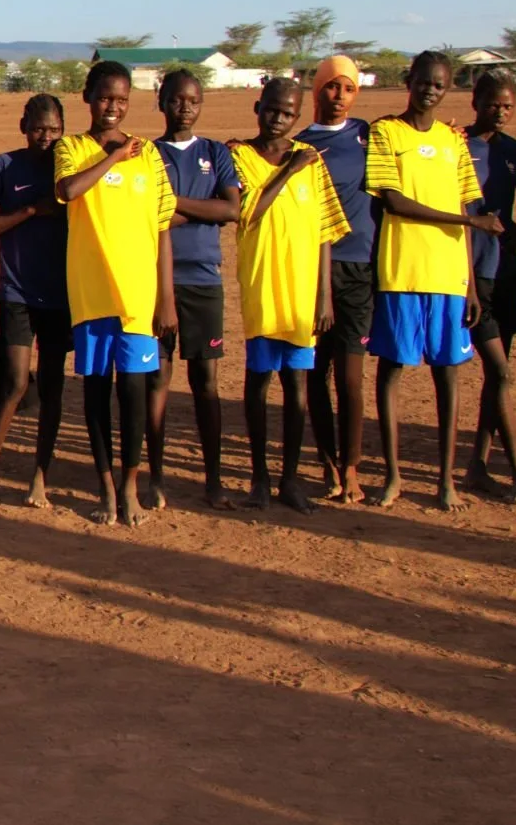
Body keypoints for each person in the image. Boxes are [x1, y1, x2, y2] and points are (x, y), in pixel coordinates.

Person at [364, 50, 495, 511]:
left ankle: (445, 481)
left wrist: (471, 287)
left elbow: (464, 210)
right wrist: (471, 226)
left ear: (447, 87)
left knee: (449, 377)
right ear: (409, 80)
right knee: (391, 372)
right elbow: (394, 202)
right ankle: (394, 476)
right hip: (401, 272)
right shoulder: (385, 132)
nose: (430, 90)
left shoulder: (454, 142)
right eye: (423, 81)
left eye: (439, 84)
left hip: (448, 276)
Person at [53, 60, 176, 528]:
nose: (113, 107)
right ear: (88, 97)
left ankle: (130, 488)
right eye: (105, 97)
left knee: (134, 396)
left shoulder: (150, 155)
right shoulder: (72, 148)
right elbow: (68, 189)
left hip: (139, 299)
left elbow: (163, 228)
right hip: (91, 295)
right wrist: (113, 158)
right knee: (96, 396)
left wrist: (166, 297)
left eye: (122, 100)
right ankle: (105, 488)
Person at [233, 77, 348, 513]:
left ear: (298, 116)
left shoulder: (311, 161)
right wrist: (287, 170)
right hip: (263, 284)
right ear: (258, 107)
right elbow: (250, 212)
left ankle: (290, 480)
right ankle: (259, 478)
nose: (278, 119)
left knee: (297, 386)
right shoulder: (240, 156)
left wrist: (324, 297)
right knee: (259, 384)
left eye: (288, 113)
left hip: (303, 292)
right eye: (272, 109)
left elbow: (324, 233)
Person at [0, 94, 70, 512]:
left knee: (51, 385)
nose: (45, 137)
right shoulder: (6, 166)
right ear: (23, 126)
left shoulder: (72, 166)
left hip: (63, 295)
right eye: (38, 128)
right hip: (17, 292)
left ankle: (39, 476)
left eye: (54, 129)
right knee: (13, 381)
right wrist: (29, 210)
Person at [145, 70, 241, 509]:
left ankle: (214, 479)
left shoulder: (215, 152)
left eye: (194, 100)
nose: (185, 106)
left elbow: (230, 209)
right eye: (177, 99)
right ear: (161, 102)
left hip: (204, 280)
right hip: (156, 280)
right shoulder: (146, 153)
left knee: (206, 381)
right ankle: (157, 478)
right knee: (158, 379)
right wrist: (203, 210)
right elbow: (147, 216)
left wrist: (172, 203)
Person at [297, 56, 376, 502]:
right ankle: (327, 461)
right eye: (332, 87)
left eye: (347, 88)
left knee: (351, 377)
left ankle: (352, 467)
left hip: (361, 270)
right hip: (315, 271)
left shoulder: (370, 135)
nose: (339, 96)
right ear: (318, 91)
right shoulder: (303, 145)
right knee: (316, 374)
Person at [463, 71, 516, 501]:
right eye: (493, 104)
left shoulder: (512, 150)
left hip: (504, 270)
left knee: (498, 375)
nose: (500, 112)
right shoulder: (458, 145)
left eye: (508, 105)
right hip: (471, 274)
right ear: (475, 102)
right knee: (500, 371)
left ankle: (478, 464)